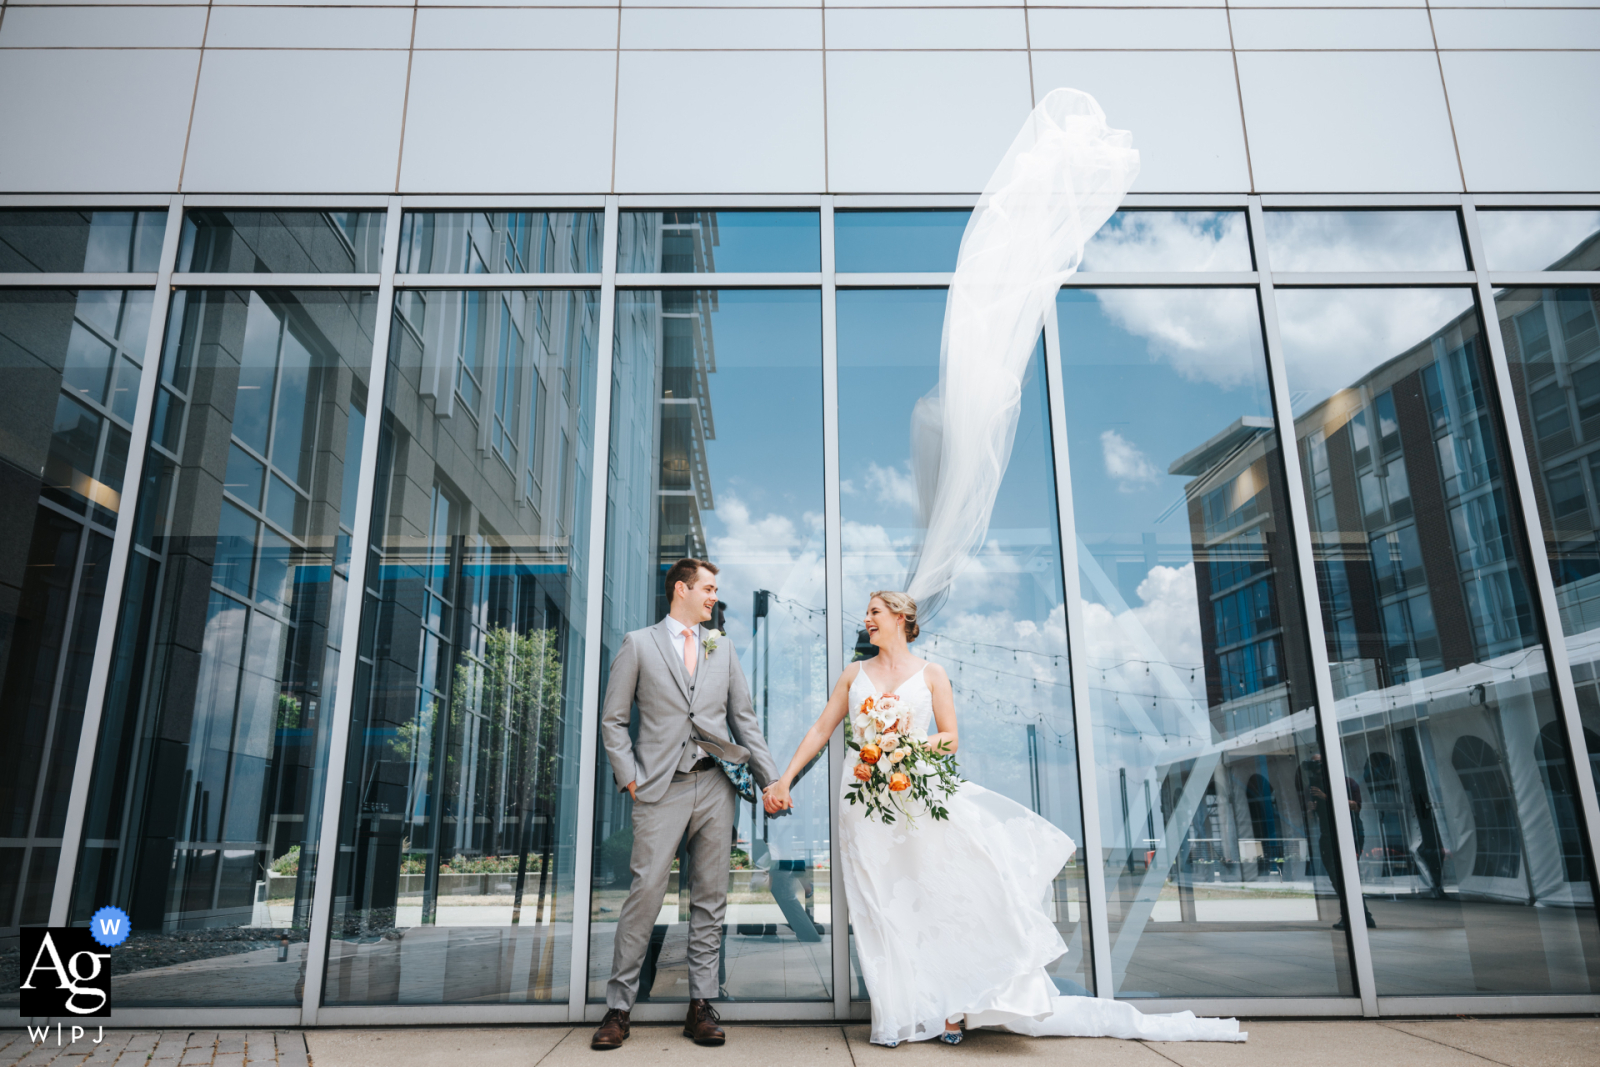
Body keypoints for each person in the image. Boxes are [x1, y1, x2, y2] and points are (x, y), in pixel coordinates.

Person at [765, 592, 1245, 1046]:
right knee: (879, 907)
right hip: (864, 804)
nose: (867, 619)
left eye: (874, 612)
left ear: (900, 619)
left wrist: (906, 747)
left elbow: (951, 738)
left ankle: (953, 1005)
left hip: (916, 797)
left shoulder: (931, 674)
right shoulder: (854, 674)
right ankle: (897, 1014)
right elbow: (822, 728)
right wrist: (786, 779)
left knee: (935, 896)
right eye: (867, 613)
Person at [591, 558, 783, 1051]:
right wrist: (630, 778)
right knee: (645, 893)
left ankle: (701, 1005)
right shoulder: (639, 644)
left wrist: (770, 780)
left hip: (716, 787)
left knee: (710, 899)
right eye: (709, 588)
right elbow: (613, 720)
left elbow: (745, 719)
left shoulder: (722, 647)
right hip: (659, 789)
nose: (714, 597)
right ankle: (619, 1007)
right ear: (682, 589)